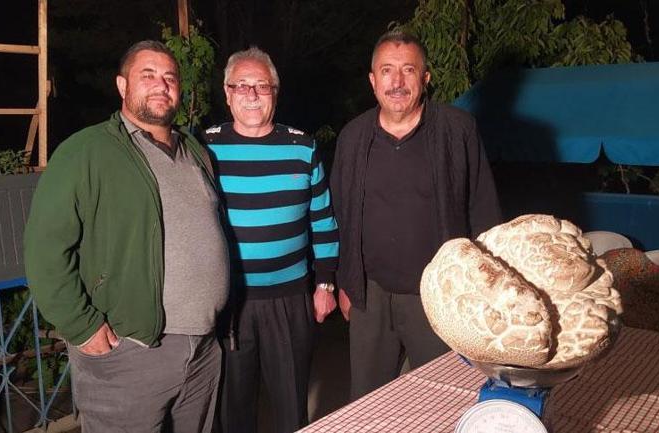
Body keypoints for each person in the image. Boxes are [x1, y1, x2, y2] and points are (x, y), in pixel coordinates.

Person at [23, 40, 229, 433]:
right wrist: (83, 327)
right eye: (147, 75)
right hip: (131, 350)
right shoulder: (87, 151)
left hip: (204, 346)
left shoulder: (195, 151)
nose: (161, 85)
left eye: (169, 77)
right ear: (122, 85)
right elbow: (44, 249)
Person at [330, 31, 501, 400]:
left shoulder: (458, 131)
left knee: (443, 399)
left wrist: (484, 288)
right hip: (371, 297)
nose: (397, 81)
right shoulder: (352, 138)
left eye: (408, 70)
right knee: (368, 404)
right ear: (372, 80)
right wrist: (345, 282)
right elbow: (340, 216)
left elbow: (484, 211)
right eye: (387, 70)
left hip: (439, 296)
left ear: (425, 78)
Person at [203, 47, 339, 433]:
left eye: (261, 86)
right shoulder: (204, 148)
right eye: (241, 85)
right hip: (228, 301)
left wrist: (326, 283)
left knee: (291, 405)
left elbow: (322, 218)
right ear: (227, 93)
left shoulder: (302, 147)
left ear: (275, 93)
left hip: (290, 299)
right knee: (233, 409)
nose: (251, 94)